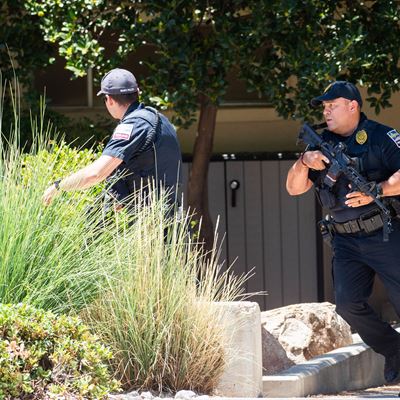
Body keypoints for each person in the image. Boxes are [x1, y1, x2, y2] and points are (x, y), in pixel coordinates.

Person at [286, 81, 400, 383]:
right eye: (324, 107)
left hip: (384, 234)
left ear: (353, 106)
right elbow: (294, 188)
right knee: (348, 304)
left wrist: (378, 190)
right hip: (345, 239)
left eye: (332, 105)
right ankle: (395, 349)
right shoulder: (318, 143)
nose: (326, 111)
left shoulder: (380, 136)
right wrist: (303, 161)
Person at [43, 68, 182, 211]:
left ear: (109, 99)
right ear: (137, 93)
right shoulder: (160, 120)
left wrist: (59, 186)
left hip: (147, 218)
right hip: (170, 213)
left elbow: (95, 174)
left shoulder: (132, 126)